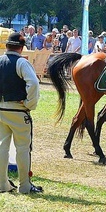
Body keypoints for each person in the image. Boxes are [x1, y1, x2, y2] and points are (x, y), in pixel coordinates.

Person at [0, 32, 43, 194]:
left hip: (1, 110)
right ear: (21, 47)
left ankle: (2, 184)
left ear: (7, 45)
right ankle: (24, 185)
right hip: (18, 111)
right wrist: (29, 104)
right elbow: (33, 83)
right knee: (23, 148)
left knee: (2, 147)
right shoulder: (21, 63)